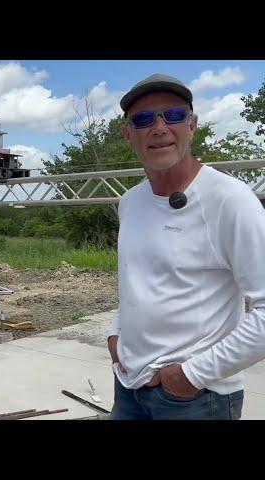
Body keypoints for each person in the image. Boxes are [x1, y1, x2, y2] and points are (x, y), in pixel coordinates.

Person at [107, 73, 265, 420]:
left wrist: (192, 375)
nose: (160, 127)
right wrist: (115, 334)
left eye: (173, 116)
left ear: (192, 125)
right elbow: (137, 281)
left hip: (195, 400)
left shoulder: (230, 201)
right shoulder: (130, 202)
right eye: (144, 119)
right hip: (129, 388)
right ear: (128, 134)